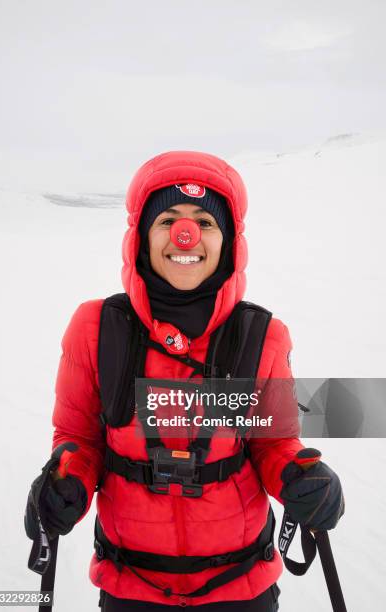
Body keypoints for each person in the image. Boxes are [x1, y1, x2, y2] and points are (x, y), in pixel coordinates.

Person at [25, 151, 344, 611]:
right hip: (131, 584)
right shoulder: (96, 327)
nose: (185, 234)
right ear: (141, 238)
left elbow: (274, 443)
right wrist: (64, 482)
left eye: (205, 222)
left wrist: (302, 476)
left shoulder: (261, 335)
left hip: (241, 585)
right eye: (167, 219)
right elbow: (78, 438)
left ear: (229, 241)